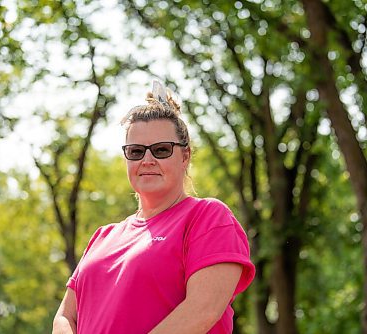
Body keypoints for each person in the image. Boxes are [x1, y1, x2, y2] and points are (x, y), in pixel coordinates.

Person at [52, 81, 255, 334]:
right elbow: (65, 316)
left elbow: (203, 310)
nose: (147, 160)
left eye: (161, 150)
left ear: (185, 156)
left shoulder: (207, 217)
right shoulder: (103, 236)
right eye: (136, 151)